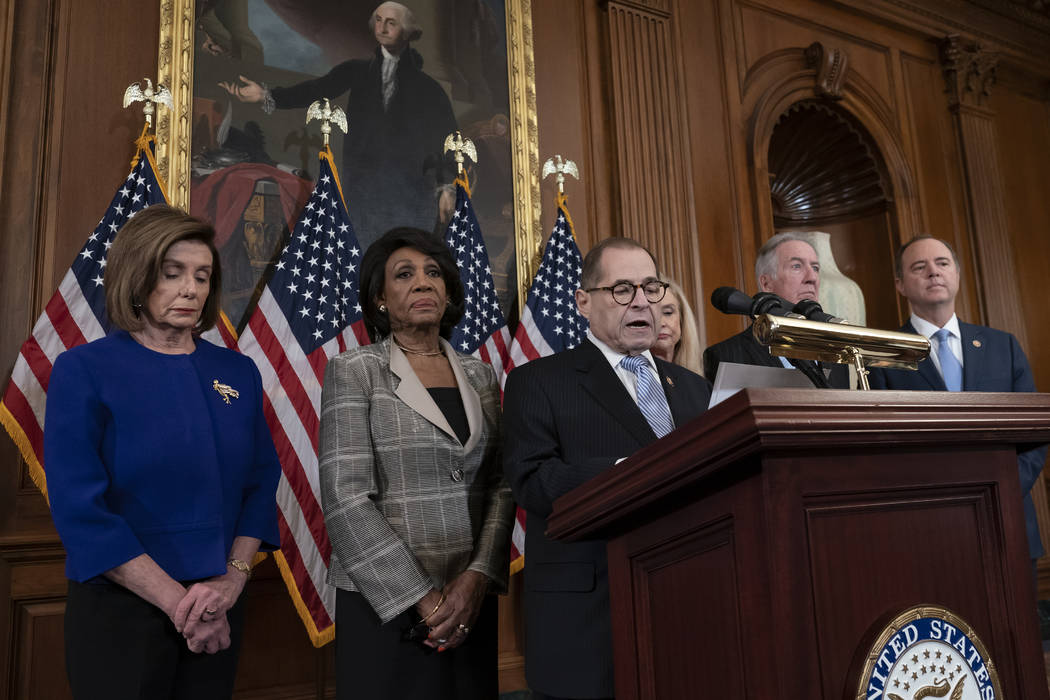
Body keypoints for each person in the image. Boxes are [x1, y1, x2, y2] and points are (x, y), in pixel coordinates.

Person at [43, 205, 281, 699]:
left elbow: (260, 484)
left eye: (201, 275)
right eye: (172, 274)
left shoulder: (238, 373)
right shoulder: (84, 369)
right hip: (121, 610)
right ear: (137, 275)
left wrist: (229, 586)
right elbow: (81, 509)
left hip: (218, 603)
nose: (190, 289)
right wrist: (182, 606)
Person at [502, 238, 712, 699]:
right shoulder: (539, 381)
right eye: (622, 290)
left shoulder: (697, 390)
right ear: (583, 302)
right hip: (590, 623)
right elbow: (532, 482)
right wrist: (627, 471)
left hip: (691, 610)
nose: (641, 301)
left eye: (651, 288)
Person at [318, 227, 514, 699]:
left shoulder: (480, 374)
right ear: (380, 298)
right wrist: (422, 597)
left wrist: (476, 577)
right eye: (404, 275)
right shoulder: (354, 370)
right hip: (385, 599)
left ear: (448, 291)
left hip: (469, 601)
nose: (423, 283)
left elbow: (501, 485)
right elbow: (346, 497)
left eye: (433, 273)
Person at [220, 2, 458, 247]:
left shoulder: (430, 89)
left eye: (391, 22)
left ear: (408, 32)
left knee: (408, 260)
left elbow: (448, 139)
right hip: (364, 191)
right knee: (365, 265)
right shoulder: (357, 71)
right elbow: (316, 89)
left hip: (412, 194)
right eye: (378, 20)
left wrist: (447, 186)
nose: (383, 27)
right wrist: (265, 95)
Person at [868, 235, 1047, 560]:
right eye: (919, 267)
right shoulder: (883, 354)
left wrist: (1001, 488)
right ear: (900, 284)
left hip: (1009, 522)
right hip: (929, 527)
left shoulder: (1002, 346)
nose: (933, 273)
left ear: (957, 274)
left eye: (942, 263)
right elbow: (883, 444)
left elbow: (1035, 433)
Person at [703, 231, 849, 388]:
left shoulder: (835, 353)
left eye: (815, 267)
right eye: (796, 266)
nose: (812, 278)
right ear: (766, 284)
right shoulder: (727, 356)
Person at [651, 278, 703, 376]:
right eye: (652, 314)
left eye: (668, 313)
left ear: (682, 320)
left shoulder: (698, 381)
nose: (661, 323)